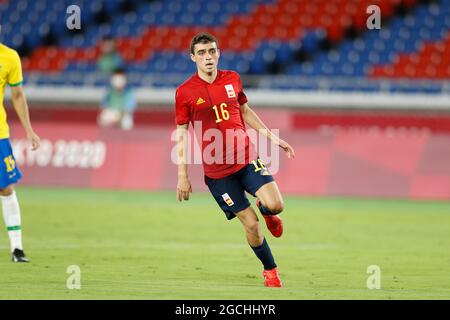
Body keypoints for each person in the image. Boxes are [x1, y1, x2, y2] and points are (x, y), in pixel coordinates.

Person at [175, 32, 295, 287]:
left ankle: (268, 213)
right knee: (250, 225)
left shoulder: (232, 79)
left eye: (212, 51)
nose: (208, 57)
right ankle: (270, 270)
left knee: (276, 205)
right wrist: (183, 176)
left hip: (246, 159)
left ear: (218, 53)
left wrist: (272, 138)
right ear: (192, 57)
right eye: (202, 53)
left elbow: (244, 110)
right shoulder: (184, 92)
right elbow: (182, 135)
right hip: (219, 174)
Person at [0, 28, 41, 262]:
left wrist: (28, 129)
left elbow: (17, 95)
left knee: (6, 188)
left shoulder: (9, 57)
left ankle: (17, 248)